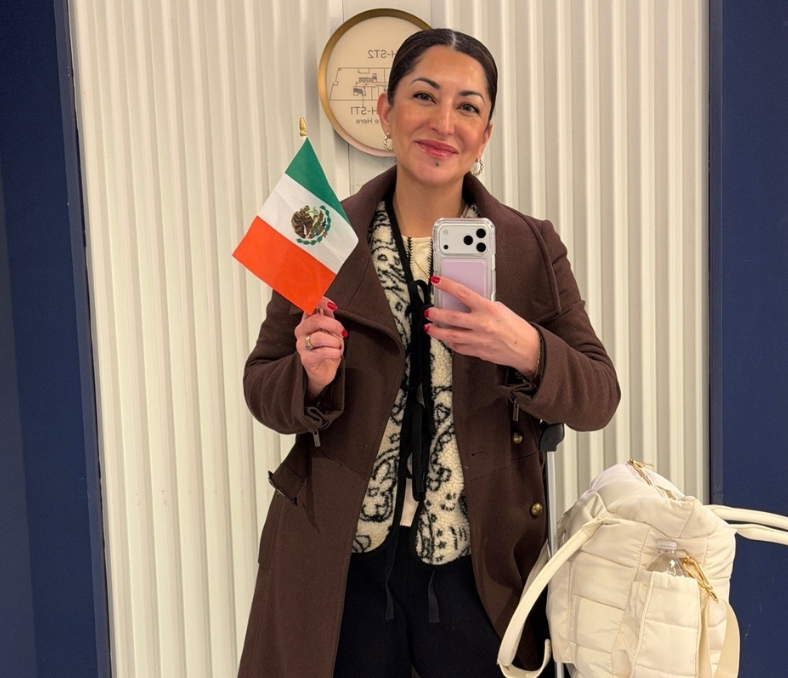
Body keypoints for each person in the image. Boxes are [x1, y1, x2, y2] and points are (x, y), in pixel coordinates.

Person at [237, 28, 620, 678]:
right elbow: (261, 386)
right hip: (342, 566)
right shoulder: (323, 235)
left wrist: (528, 349)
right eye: (424, 96)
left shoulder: (529, 247)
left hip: (482, 569)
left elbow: (598, 397)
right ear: (387, 113)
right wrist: (308, 377)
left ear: (487, 132)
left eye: (468, 106)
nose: (444, 122)